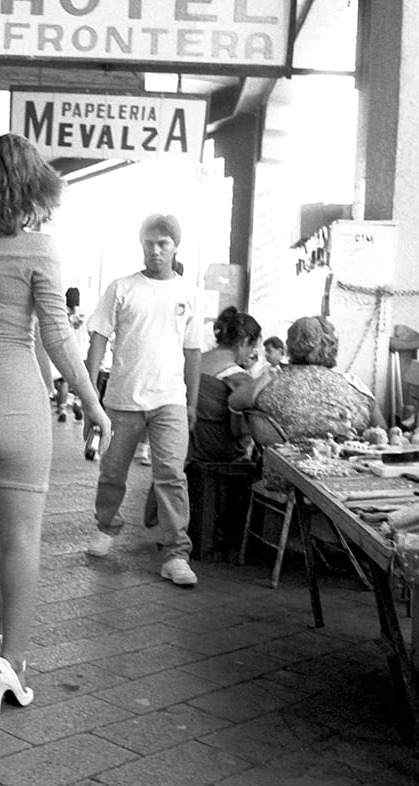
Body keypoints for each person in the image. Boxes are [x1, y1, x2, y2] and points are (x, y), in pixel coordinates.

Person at [0, 133, 111, 713]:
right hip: (11, 404)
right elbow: (57, 337)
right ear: (33, 186)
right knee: (22, 536)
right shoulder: (39, 249)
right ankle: (13, 660)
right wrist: (92, 402)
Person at [84, 213, 202, 589]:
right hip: (123, 398)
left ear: (175, 247)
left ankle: (175, 553)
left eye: (162, 243)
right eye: (149, 243)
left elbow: (194, 351)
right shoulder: (121, 288)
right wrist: (91, 395)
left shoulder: (188, 292)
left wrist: (192, 402)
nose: (155, 250)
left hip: (170, 400)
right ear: (141, 245)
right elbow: (98, 337)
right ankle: (106, 524)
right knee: (113, 470)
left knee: (171, 476)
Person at [235, 315, 387, 441]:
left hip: (279, 471)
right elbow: (382, 432)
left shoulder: (267, 385)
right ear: (331, 347)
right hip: (348, 471)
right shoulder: (353, 386)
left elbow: (236, 407)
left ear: (290, 346)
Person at [188, 306, 262, 464]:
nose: (251, 355)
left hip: (183, 447)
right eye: (252, 348)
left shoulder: (193, 362)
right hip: (215, 455)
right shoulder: (238, 378)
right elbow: (241, 430)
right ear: (245, 342)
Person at [53, 287, 88, 422]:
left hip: (67, 351)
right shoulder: (83, 313)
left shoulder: (63, 313)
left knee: (64, 381)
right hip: (81, 352)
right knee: (79, 380)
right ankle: (76, 403)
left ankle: (62, 410)